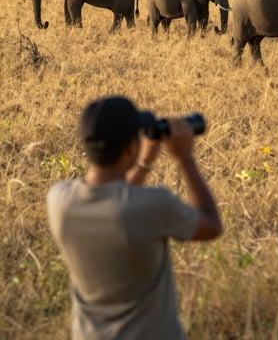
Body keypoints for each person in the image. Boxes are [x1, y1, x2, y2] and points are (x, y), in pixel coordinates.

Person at [47, 95, 222, 340]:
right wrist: (185, 159)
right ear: (130, 148)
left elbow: (117, 202)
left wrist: (144, 161)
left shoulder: (59, 200)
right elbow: (212, 225)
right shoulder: (156, 204)